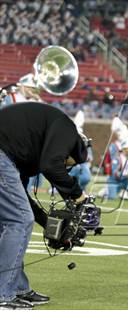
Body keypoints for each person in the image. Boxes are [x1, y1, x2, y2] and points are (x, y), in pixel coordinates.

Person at [0, 102, 88, 309]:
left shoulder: (30, 143)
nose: (67, 165)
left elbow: (24, 200)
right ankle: (3, 294)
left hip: (4, 153)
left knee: (13, 220)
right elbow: (52, 165)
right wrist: (78, 195)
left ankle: (17, 287)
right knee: (19, 220)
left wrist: (48, 223)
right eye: (69, 162)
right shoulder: (68, 130)